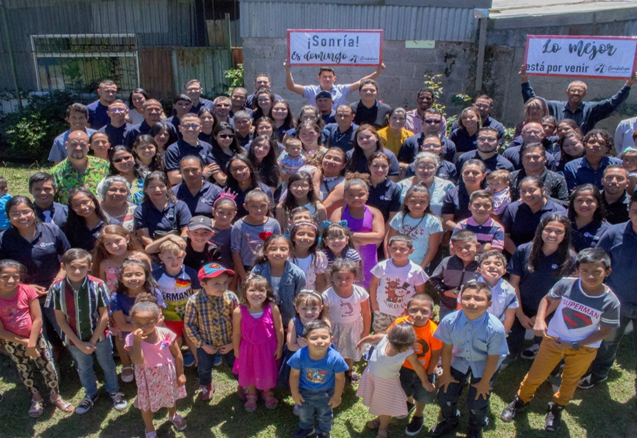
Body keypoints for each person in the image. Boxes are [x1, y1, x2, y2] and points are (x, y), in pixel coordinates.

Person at [500, 248, 619, 433]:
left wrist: (574, 344)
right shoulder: (567, 284)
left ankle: (557, 407)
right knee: (536, 375)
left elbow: (604, 332)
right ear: (577, 269)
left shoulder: (611, 302)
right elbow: (547, 300)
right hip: (553, 340)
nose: (590, 276)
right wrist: (540, 319)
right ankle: (521, 400)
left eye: (597, 272)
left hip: (584, 348)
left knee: (570, 381)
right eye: (585, 271)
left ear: (607, 272)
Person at [46, 248, 128, 414]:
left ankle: (113, 390)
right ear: (63, 266)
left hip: (100, 336)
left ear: (89, 266)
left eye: (82, 267)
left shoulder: (97, 285)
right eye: (72, 267)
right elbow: (60, 320)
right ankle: (90, 394)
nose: (77, 271)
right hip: (74, 338)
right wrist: (79, 343)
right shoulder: (56, 289)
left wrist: (92, 341)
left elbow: (104, 315)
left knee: (107, 364)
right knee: (84, 367)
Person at [430, 280, 508, 438]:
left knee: (477, 402)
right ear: (460, 299)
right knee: (445, 395)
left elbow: (493, 359)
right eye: (467, 297)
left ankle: (475, 427)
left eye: (478, 299)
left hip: (485, 364)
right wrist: (445, 373)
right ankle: (450, 419)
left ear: (489, 303)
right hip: (459, 359)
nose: (471, 302)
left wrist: (485, 382)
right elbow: (446, 350)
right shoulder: (449, 321)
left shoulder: (496, 328)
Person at [0, 260, 73, 417]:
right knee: (24, 368)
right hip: (13, 343)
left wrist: (33, 342)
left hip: (36, 338)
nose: (11, 281)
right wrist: (27, 344)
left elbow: (37, 319)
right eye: (5, 276)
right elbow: (1, 332)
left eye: (15, 276)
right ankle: (36, 397)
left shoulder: (27, 291)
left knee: (49, 368)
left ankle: (55, 396)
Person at [578, 194, 637, 391]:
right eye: (636, 212)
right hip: (616, 304)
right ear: (629, 211)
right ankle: (599, 374)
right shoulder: (614, 233)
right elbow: (597, 260)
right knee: (607, 343)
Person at [507, 214, 576, 361]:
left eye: (558, 232)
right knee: (512, 340)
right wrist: (520, 314)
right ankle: (512, 354)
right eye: (548, 229)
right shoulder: (523, 250)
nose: (552, 235)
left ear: (565, 235)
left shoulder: (570, 259)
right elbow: (514, 284)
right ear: (540, 230)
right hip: (520, 306)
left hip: (551, 310)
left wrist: (540, 317)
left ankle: (542, 353)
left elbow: (563, 294)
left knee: (548, 345)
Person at [126, 294, 187, 437]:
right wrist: (137, 341)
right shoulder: (131, 339)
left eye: (148, 323)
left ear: (157, 320)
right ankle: (149, 427)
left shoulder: (166, 334)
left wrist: (181, 373)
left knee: (170, 396)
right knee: (145, 404)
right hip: (146, 377)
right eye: (138, 323)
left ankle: (173, 415)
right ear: (132, 321)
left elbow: (177, 355)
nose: (143, 327)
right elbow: (137, 361)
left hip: (167, 374)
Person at [356, 323, 431, 438]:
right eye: (394, 345)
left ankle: (383, 429)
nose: (397, 349)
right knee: (379, 402)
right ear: (389, 337)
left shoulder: (408, 352)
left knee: (385, 408)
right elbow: (374, 337)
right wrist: (363, 341)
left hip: (387, 384)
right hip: (372, 376)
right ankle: (380, 418)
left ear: (409, 345)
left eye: (401, 347)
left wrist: (425, 381)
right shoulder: (385, 339)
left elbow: (418, 367)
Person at [519, 64, 637, 133]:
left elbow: (612, 103)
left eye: (580, 91)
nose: (576, 93)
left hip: (579, 148)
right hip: (555, 146)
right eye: (573, 90)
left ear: (585, 93)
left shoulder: (591, 109)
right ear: (567, 92)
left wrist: (628, 85)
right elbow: (534, 102)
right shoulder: (555, 106)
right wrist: (525, 81)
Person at [184, 263, 238, 402]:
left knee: (235, 364)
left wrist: (233, 343)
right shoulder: (194, 301)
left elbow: (240, 322)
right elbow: (189, 325)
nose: (222, 287)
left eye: (225, 282)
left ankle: (243, 384)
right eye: (216, 284)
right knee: (204, 368)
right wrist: (202, 345)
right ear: (203, 284)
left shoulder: (231, 297)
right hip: (205, 344)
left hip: (229, 342)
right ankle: (206, 384)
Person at [232, 273, 284, 411]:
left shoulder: (272, 307)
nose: (257, 293)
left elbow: (279, 330)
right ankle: (252, 394)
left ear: (267, 292)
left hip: (268, 348)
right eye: (252, 290)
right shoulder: (239, 311)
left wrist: (279, 347)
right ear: (245, 292)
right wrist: (236, 351)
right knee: (249, 369)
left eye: (261, 290)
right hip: (248, 349)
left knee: (266, 368)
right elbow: (236, 333)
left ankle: (267, 392)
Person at [288, 319, 348, 438]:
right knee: (304, 414)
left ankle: (324, 432)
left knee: (325, 415)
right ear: (305, 341)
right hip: (305, 392)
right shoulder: (299, 356)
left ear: (331, 339)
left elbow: (340, 378)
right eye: (314, 338)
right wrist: (295, 393)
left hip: (326, 394)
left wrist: (337, 396)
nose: (320, 341)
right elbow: (294, 375)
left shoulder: (336, 358)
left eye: (324, 337)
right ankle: (307, 429)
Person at [109, 258, 162, 384]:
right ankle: (126, 364)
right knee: (120, 336)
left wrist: (135, 321)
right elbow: (122, 325)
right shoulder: (116, 297)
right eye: (128, 275)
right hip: (129, 330)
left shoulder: (154, 292)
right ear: (121, 278)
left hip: (152, 328)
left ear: (146, 275)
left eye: (138, 274)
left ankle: (154, 362)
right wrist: (143, 326)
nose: (133, 278)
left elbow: (159, 318)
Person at [321, 258, 371, 383]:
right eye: (339, 278)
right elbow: (325, 314)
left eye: (348, 278)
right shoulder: (327, 295)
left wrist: (365, 331)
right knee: (336, 351)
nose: (343, 281)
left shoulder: (360, 292)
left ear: (354, 278)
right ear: (332, 277)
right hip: (335, 328)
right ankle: (336, 373)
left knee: (352, 348)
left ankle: (349, 369)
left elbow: (366, 312)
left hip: (354, 327)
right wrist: (328, 330)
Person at [152, 239, 201, 368]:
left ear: (184, 255)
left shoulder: (190, 273)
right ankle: (174, 365)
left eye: (178, 257)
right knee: (174, 341)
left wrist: (197, 313)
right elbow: (154, 297)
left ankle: (199, 364)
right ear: (161, 257)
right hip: (168, 316)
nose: (174, 262)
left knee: (192, 339)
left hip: (188, 314)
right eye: (169, 258)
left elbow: (197, 295)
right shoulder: (155, 275)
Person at [330, 178, 385, 288]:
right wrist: (366, 238)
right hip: (344, 261)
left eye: (360, 194)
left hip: (369, 261)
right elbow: (335, 236)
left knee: (368, 291)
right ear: (345, 195)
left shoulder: (374, 212)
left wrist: (349, 235)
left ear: (367, 195)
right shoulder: (338, 213)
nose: (356, 198)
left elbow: (378, 237)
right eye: (351, 195)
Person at [369, 235, 428, 333]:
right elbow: (373, 284)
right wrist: (374, 303)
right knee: (379, 334)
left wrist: (414, 309)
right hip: (382, 309)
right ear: (388, 249)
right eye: (394, 248)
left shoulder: (416, 270)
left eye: (402, 249)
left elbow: (420, 293)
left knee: (401, 335)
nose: (397, 252)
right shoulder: (382, 266)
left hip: (403, 312)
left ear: (411, 251)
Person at [501, 176, 567, 254]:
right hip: (517, 256)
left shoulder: (558, 211)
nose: (527, 194)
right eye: (523, 191)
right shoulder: (512, 209)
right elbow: (505, 236)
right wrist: (519, 256)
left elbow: (561, 239)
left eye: (532, 190)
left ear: (543, 190)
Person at [251, 235, 306, 326]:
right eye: (273, 249)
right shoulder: (258, 270)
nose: (278, 253)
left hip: (288, 318)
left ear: (289, 253)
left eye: (283, 249)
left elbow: (300, 298)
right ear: (265, 252)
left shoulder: (297, 274)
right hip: (262, 317)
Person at [387, 184, 443, 271]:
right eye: (413, 201)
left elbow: (433, 248)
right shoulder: (399, 217)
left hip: (418, 265)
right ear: (406, 201)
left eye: (422, 202)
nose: (417, 205)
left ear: (428, 203)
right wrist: (389, 260)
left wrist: (421, 267)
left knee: (412, 285)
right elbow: (389, 241)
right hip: (396, 263)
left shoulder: (433, 222)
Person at [284, 60, 386, 108]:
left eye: (330, 77)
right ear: (319, 78)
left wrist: (377, 73)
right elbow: (291, 86)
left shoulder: (342, 89)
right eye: (324, 76)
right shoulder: (311, 90)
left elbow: (361, 82)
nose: (327, 79)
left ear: (334, 78)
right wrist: (288, 71)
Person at [231, 189, 282, 282]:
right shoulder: (239, 226)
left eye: (263, 206)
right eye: (253, 206)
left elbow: (278, 245)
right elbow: (235, 251)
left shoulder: (274, 224)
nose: (259, 210)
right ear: (246, 206)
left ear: (268, 204)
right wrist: (243, 274)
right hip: (247, 267)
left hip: (269, 265)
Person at [430, 230, 481, 319]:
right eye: (459, 248)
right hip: (448, 305)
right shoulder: (447, 262)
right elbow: (434, 279)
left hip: (472, 306)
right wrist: (444, 291)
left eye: (468, 246)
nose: (464, 251)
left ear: (477, 246)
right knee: (446, 329)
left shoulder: (482, 264)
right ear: (453, 249)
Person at [50, 130, 110, 205]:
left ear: (88, 147)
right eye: (74, 144)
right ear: (66, 145)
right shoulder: (55, 172)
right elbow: (52, 203)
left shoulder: (104, 166)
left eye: (82, 144)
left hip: (99, 214)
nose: (78, 148)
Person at [134, 171, 192, 247]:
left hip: (179, 249)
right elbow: (144, 237)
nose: (157, 189)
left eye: (161, 186)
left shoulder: (180, 205)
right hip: (154, 250)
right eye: (152, 187)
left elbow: (186, 231)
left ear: (167, 187)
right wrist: (164, 250)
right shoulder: (140, 210)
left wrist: (175, 250)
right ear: (145, 189)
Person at [164, 113, 218, 186]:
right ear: (180, 128)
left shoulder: (207, 147)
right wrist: (201, 175)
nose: (190, 129)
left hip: (206, 189)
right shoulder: (173, 149)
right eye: (186, 125)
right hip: (183, 191)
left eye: (194, 125)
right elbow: (173, 178)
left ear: (201, 128)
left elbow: (214, 170)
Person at [472, 251, 518, 334]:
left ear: (504, 271)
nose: (492, 266)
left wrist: (502, 336)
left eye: (498, 264)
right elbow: (460, 310)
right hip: (472, 330)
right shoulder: (469, 287)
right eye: (487, 263)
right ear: (479, 269)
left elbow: (510, 316)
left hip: (496, 332)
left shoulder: (509, 291)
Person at [397, 151, 456, 216]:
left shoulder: (448, 186)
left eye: (430, 167)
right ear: (415, 168)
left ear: (436, 168)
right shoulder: (401, 186)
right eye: (421, 167)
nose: (425, 171)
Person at [442, 160, 488, 230]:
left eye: (475, 173)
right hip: (459, 235)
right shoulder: (452, 193)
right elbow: (447, 221)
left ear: (484, 175)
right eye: (466, 172)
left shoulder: (489, 194)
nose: (470, 175)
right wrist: (467, 232)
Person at [568, 184, 610, 251]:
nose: (584, 204)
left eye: (589, 201)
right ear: (573, 203)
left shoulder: (606, 230)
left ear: (598, 204)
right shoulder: (562, 222)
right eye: (579, 200)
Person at [289, 221, 328, 293]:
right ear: (293, 237)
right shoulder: (286, 256)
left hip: (309, 299)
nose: (305, 237)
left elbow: (320, 283)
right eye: (301, 234)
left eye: (310, 235)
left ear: (315, 239)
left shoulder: (318, 257)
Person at [210, 194, 237, 271]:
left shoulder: (234, 232)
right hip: (203, 269)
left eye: (229, 214)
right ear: (213, 211)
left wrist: (234, 279)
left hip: (224, 271)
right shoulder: (205, 226)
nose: (224, 217)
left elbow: (237, 257)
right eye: (221, 212)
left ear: (234, 214)